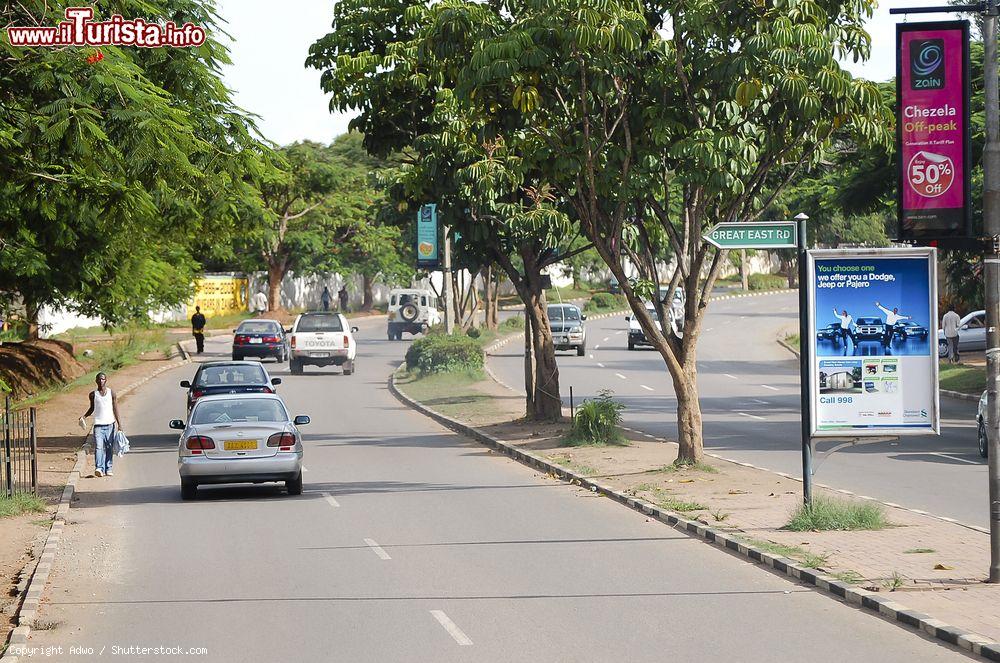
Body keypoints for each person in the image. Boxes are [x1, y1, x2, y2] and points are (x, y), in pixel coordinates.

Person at [79, 373, 123, 478]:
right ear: (96, 381)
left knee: (109, 447)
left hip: (110, 425)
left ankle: (108, 468)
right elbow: (92, 408)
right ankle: (99, 468)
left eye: (103, 379)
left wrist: (119, 424)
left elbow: (115, 408)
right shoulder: (93, 395)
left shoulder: (111, 393)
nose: (101, 381)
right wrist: (84, 416)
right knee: (99, 447)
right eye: (99, 379)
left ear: (106, 380)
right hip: (98, 425)